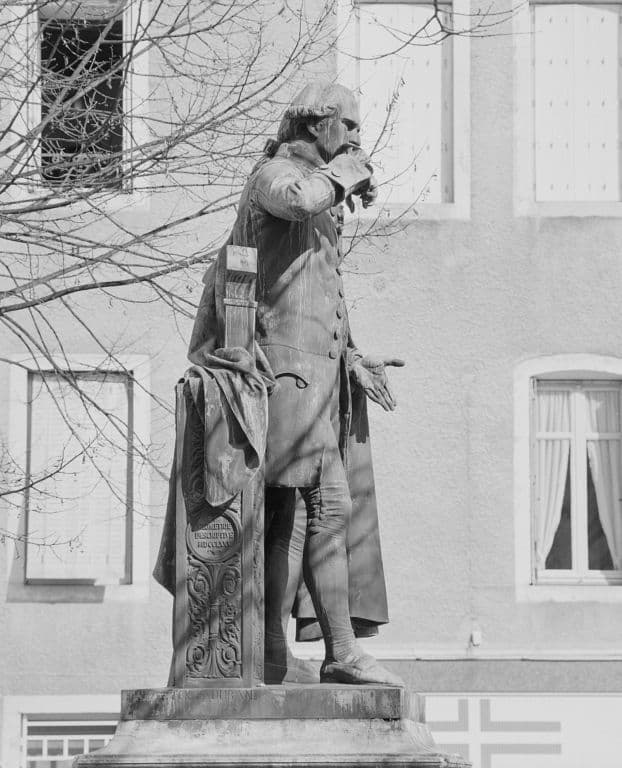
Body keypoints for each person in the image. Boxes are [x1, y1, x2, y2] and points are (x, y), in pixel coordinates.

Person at [189, 81, 404, 686]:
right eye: (349, 125)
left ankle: (287, 654)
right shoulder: (275, 174)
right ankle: (326, 652)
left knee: (302, 512)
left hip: (318, 380)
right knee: (313, 507)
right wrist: (345, 173)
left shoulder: (324, 201)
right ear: (316, 124)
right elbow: (295, 200)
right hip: (282, 375)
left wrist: (353, 357)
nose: (357, 136)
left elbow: (317, 294)